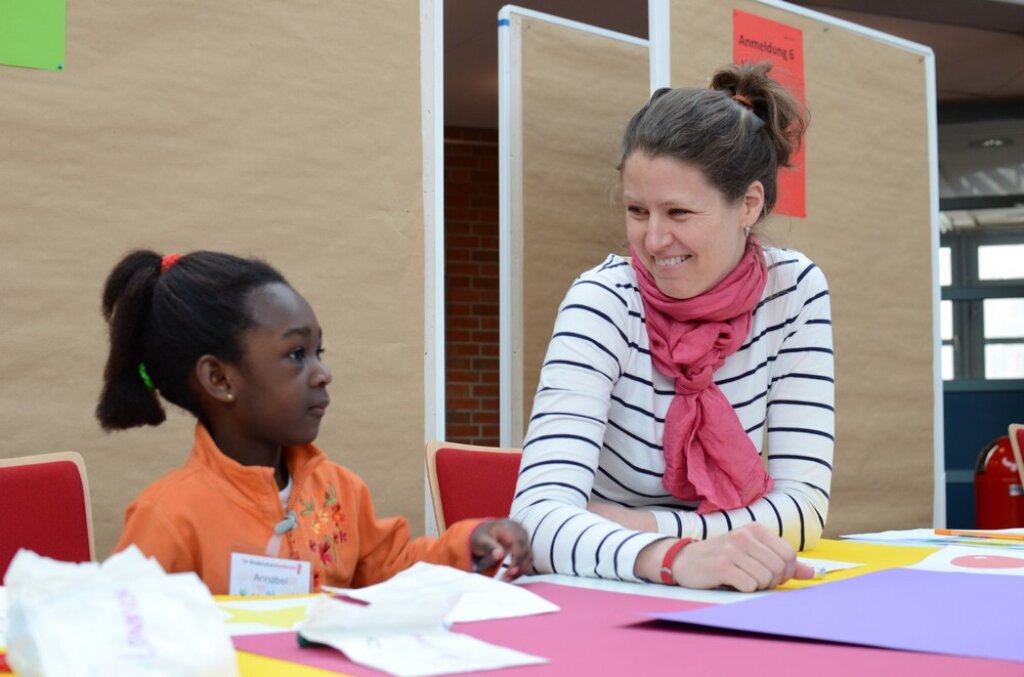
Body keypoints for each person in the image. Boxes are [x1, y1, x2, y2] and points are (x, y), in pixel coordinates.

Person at [509, 62, 834, 592]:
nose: (654, 240)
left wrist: (648, 526)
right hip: (607, 592)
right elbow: (535, 519)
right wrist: (674, 557)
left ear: (748, 204)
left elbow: (803, 511)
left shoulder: (793, 292)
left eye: (679, 214)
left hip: (722, 585)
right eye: (638, 211)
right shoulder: (603, 301)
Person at [97, 249, 531, 594]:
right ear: (219, 379)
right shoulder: (170, 516)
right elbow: (124, 637)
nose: (322, 373)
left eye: (318, 353)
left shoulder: (339, 491)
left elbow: (390, 570)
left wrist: (470, 543)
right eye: (295, 355)